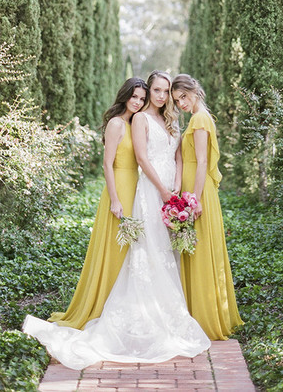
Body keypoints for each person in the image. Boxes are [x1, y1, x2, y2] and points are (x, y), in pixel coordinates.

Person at [22, 70, 210, 368]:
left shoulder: (171, 120)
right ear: (149, 91)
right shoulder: (139, 119)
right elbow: (141, 159)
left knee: (166, 252)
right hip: (151, 191)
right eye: (156, 91)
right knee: (147, 251)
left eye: (165, 92)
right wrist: (162, 190)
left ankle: (164, 310)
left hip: (170, 191)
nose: (161, 97)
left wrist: (175, 184)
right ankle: (139, 319)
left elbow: (177, 155)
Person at [46, 77, 148, 329]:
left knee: (130, 249)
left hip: (136, 186)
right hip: (119, 189)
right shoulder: (116, 124)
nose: (137, 102)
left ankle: (124, 306)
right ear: (125, 95)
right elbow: (107, 163)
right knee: (114, 248)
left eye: (141, 99)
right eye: (134, 96)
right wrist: (114, 199)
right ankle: (101, 305)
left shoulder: (135, 123)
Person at [171, 73, 243, 340]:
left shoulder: (200, 119)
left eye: (183, 97)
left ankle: (204, 318)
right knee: (195, 250)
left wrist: (195, 199)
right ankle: (196, 313)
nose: (181, 103)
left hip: (199, 192)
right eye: (177, 100)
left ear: (194, 90)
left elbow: (201, 162)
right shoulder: (197, 118)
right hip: (194, 188)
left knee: (199, 251)